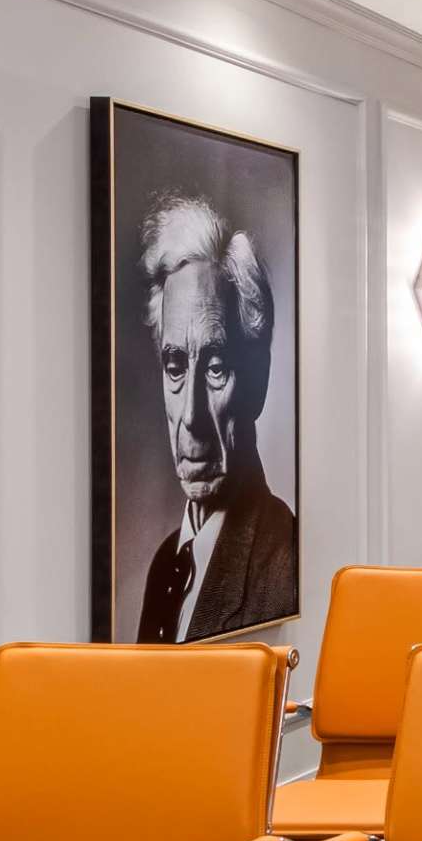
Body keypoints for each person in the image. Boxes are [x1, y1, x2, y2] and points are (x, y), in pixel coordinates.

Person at [132, 196, 300, 640]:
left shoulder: (284, 561)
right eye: (174, 367)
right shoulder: (166, 562)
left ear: (258, 381)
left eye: (215, 367)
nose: (191, 417)